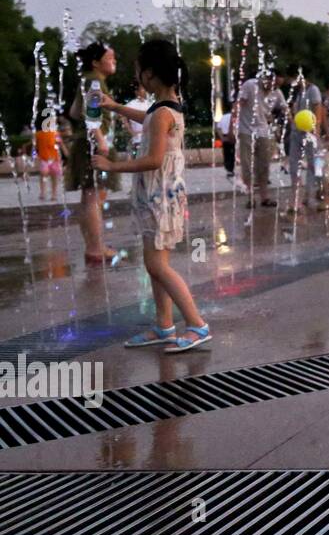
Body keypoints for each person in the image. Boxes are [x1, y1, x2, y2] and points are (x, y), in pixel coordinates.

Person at [95, 39, 211, 352]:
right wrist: (115, 106)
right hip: (158, 196)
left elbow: (154, 160)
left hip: (161, 197)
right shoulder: (163, 108)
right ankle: (164, 325)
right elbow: (145, 120)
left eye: (137, 69)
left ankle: (197, 324)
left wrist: (112, 165)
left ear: (149, 75)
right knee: (153, 264)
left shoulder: (162, 113)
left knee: (158, 266)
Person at [65, 42, 122, 263]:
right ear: (96, 62)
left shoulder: (87, 79)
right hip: (93, 144)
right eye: (111, 58)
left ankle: (93, 246)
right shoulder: (95, 81)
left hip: (83, 142)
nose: (114, 61)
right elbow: (90, 115)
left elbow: (73, 111)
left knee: (89, 196)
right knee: (92, 197)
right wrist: (101, 141)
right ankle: (97, 249)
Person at [236, 68, 284, 208]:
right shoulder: (250, 85)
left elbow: (285, 109)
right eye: (273, 84)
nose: (274, 87)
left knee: (264, 165)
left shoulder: (276, 92)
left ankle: (265, 197)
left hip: (264, 132)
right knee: (247, 165)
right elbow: (239, 105)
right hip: (246, 131)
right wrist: (232, 127)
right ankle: (250, 197)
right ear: (266, 80)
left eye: (278, 85)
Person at [285, 68, 324, 213]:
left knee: (314, 164)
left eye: (291, 78)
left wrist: (316, 130)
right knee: (295, 163)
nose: (290, 82)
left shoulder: (313, 90)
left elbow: (318, 108)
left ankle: (309, 194)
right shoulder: (299, 92)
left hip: (310, 132)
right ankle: (297, 196)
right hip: (297, 131)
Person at [34, 121, 64, 201]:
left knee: (53, 176)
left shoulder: (55, 134)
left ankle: (52, 194)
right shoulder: (39, 134)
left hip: (54, 158)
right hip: (44, 158)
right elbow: (36, 146)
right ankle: (43, 193)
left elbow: (60, 144)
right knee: (44, 174)